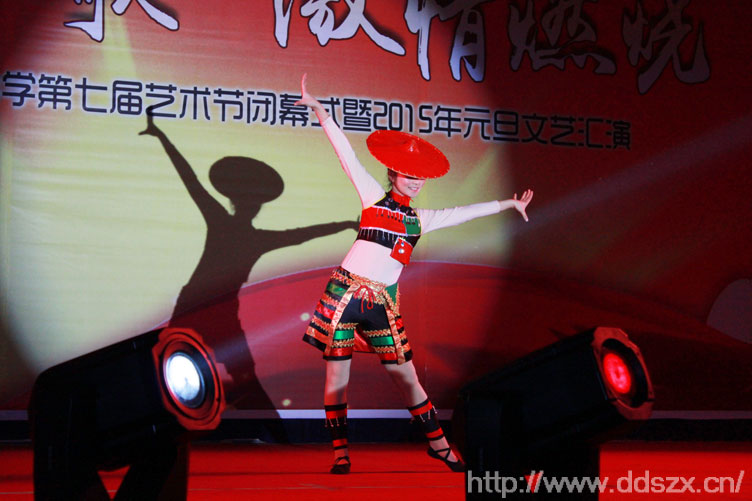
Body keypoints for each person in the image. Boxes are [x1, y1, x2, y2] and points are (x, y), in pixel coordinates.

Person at [295, 74, 533, 474]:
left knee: (407, 378)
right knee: (337, 377)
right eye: (408, 176)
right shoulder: (372, 197)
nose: (416, 182)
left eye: (420, 177)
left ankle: (439, 446)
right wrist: (321, 111)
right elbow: (345, 154)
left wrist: (507, 204)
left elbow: (463, 214)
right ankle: (340, 453)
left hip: (382, 304)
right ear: (392, 175)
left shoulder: (422, 220)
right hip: (344, 295)